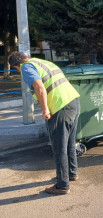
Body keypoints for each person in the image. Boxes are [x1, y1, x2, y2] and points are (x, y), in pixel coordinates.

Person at [9, 52, 80, 195]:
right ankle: (71, 173)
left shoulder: (26, 68)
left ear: (17, 66)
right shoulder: (41, 62)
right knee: (70, 143)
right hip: (73, 101)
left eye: (16, 69)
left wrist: (45, 109)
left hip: (60, 107)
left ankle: (62, 185)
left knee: (59, 147)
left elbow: (39, 87)